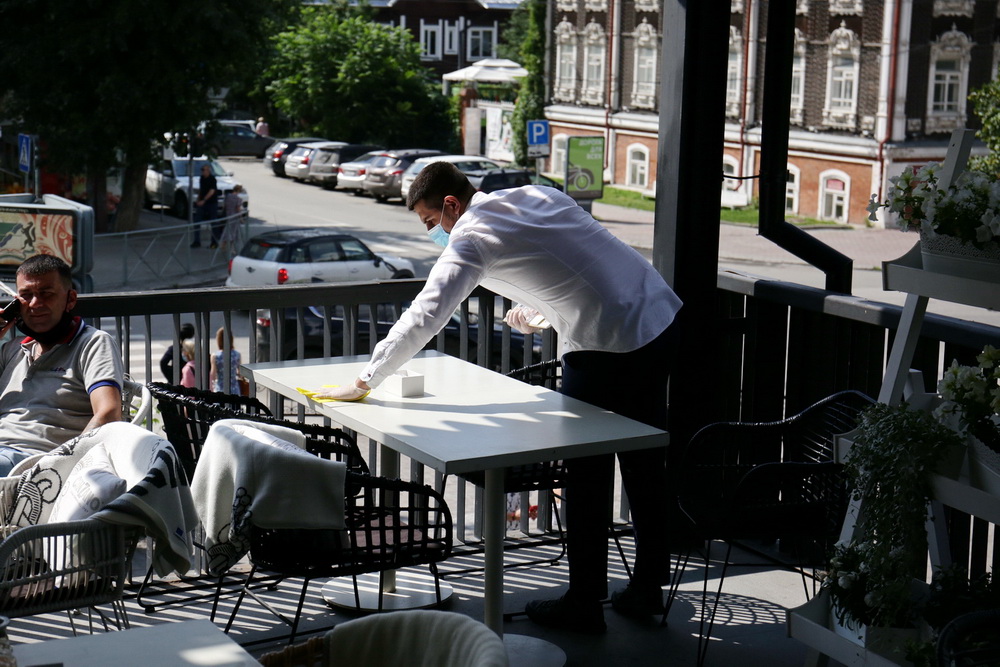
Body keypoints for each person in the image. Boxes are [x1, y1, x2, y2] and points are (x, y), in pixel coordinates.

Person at [316, 162, 682, 633]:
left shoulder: (471, 237)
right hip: (660, 320)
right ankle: (649, 587)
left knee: (585, 472)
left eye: (430, 222)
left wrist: (366, 379)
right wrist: (538, 310)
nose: (432, 233)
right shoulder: (534, 195)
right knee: (645, 463)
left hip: (607, 344)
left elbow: (426, 313)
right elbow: (579, 259)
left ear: (451, 204)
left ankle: (585, 603)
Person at [0, 254, 125, 475]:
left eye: (46, 294)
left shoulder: (93, 343)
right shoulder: (12, 349)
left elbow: (108, 412)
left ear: (70, 299)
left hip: (35, 464)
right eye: (26, 296)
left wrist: (65, 464)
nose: (35, 304)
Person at [191, 164, 218, 249]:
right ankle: (197, 241)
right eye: (201, 170)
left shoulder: (212, 179)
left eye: (203, 170)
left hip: (211, 203)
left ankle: (214, 242)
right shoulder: (202, 178)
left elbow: (212, 191)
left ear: (208, 170)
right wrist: (198, 199)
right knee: (197, 220)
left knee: (213, 222)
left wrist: (204, 200)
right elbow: (201, 190)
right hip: (202, 203)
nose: (202, 171)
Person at [209, 327, 241, 394]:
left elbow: (213, 374)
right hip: (234, 388)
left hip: (220, 388)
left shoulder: (215, 356)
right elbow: (240, 373)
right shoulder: (237, 354)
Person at [221, 185, 244, 251]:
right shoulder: (238, 199)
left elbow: (224, 205)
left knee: (227, 231)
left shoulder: (228, 196)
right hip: (234, 217)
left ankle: (223, 245)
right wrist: (241, 218)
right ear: (239, 191)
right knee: (233, 232)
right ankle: (231, 248)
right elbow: (238, 209)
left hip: (228, 215)